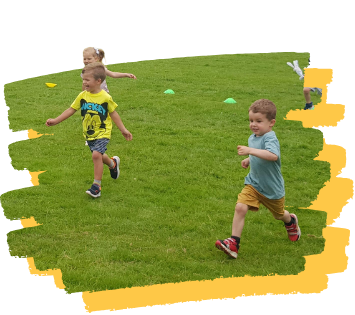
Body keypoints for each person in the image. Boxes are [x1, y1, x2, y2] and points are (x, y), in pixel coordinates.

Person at [215, 99, 301, 259]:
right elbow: (258, 153)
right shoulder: (253, 137)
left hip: (272, 189)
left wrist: (250, 151)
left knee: (279, 214)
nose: (254, 124)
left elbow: (272, 155)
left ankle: (290, 221)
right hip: (253, 184)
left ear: (271, 123)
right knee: (240, 207)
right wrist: (249, 159)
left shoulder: (270, 138)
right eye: (251, 120)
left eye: (259, 121)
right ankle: (233, 243)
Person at [46, 62, 133, 198]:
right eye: (83, 79)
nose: (84, 82)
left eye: (87, 80)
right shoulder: (83, 95)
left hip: (103, 132)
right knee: (98, 155)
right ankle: (112, 163)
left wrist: (123, 130)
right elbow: (71, 109)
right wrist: (56, 120)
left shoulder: (105, 97)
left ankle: (96, 186)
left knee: (96, 155)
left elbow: (113, 113)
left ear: (98, 81)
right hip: (89, 132)